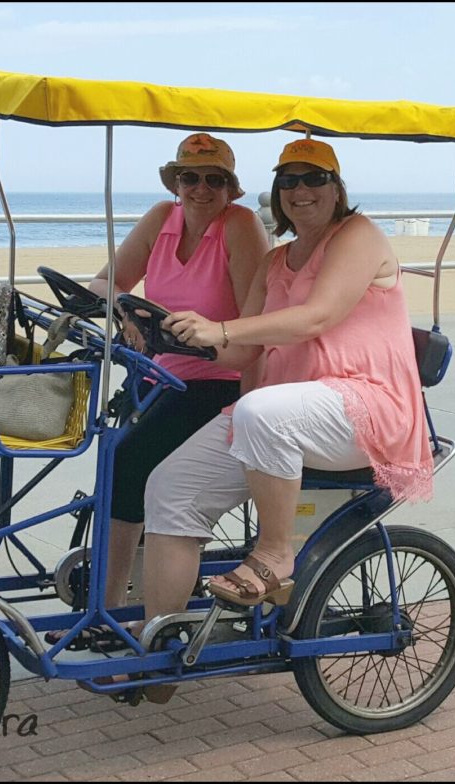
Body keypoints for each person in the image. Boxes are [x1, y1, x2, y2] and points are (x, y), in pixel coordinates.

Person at [139, 138, 433, 632]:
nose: (301, 190)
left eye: (314, 178)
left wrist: (223, 328)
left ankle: (276, 556)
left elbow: (316, 317)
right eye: (288, 180)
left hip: (365, 405)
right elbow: (241, 352)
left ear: (336, 189)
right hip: (284, 416)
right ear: (277, 194)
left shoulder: (358, 234)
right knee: (169, 488)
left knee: (262, 412)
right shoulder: (275, 262)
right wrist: (178, 333)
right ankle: (159, 638)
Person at [45, 132, 269, 650]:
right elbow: (109, 282)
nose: (201, 189)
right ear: (176, 182)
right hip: (156, 376)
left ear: (231, 188)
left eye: (215, 180)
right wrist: (114, 306)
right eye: (190, 178)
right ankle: (122, 587)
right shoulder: (160, 220)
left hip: (218, 381)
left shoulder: (240, 227)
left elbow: (253, 323)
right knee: (113, 467)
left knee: (126, 465)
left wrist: (209, 336)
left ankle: (109, 609)